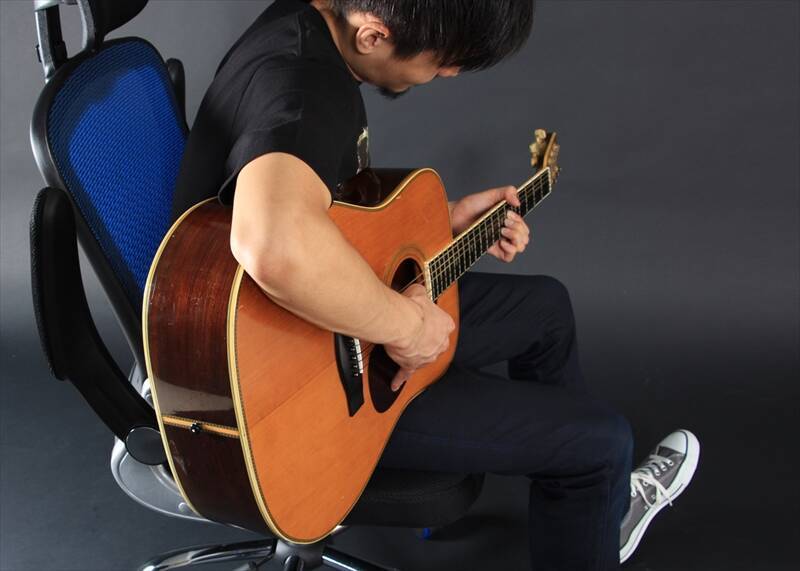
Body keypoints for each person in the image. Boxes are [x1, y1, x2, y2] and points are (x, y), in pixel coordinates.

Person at [170, 1, 700, 568]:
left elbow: (325, 210)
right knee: (602, 443)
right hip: (297, 396)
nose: (448, 73)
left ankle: (585, 512)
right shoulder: (302, 88)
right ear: (373, 36)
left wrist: (440, 222)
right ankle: (591, 488)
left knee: (546, 309)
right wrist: (405, 326)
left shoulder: (305, 22)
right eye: (442, 60)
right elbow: (273, 244)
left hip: (292, 329)